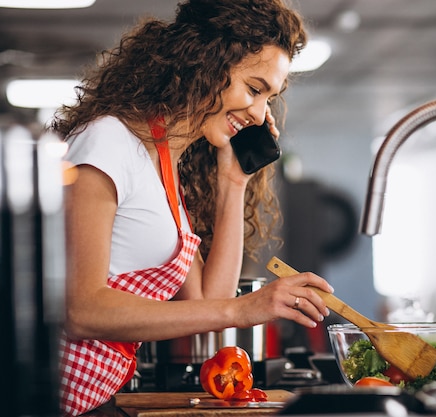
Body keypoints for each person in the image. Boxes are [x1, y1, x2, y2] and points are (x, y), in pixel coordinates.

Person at [50, 0, 333, 415]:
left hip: (94, 402)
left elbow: (204, 302)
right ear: (206, 63)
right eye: (254, 89)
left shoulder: (165, 164)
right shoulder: (107, 141)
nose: (259, 115)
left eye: (268, 99)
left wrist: (234, 182)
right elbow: (82, 308)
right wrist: (242, 309)